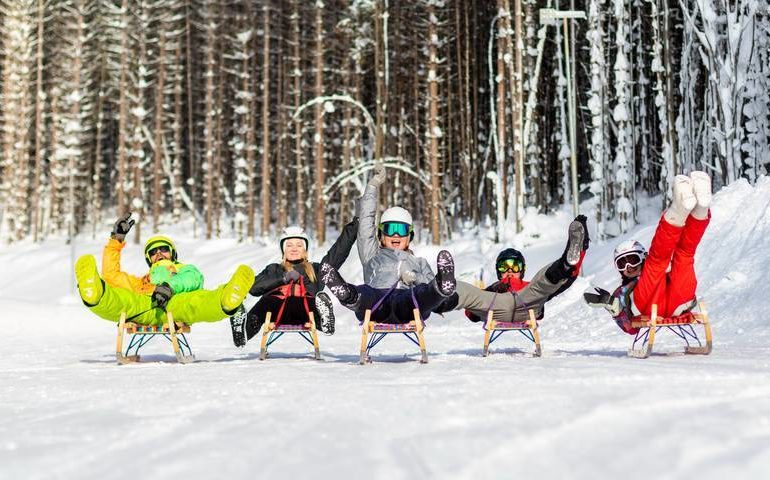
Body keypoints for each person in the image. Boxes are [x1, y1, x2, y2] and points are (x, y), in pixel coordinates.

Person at [320, 164, 456, 324]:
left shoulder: (419, 263)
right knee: (366, 292)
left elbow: (426, 285)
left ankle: (442, 286)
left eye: (401, 229)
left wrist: (415, 278)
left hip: (408, 305)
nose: (396, 234)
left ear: (409, 236)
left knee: (422, 293)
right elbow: (365, 225)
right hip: (376, 304)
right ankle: (347, 293)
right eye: (390, 229)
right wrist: (372, 186)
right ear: (381, 236)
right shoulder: (372, 254)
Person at [584, 171, 712, 334]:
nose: (629, 267)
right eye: (622, 264)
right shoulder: (622, 291)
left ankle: (696, 209)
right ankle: (688, 211)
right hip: (648, 304)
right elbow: (630, 329)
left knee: (679, 257)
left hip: (677, 301)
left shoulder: (651, 271)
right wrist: (612, 305)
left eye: (632, 259)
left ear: (642, 258)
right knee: (667, 261)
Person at [74, 213, 254, 326]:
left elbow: (194, 279)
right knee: (120, 300)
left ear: (173, 254)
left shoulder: (182, 269)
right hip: (144, 305)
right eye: (153, 252)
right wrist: (116, 240)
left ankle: (227, 298)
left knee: (197, 302)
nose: (159, 253)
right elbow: (112, 275)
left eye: (164, 249)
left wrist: (169, 286)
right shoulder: (143, 280)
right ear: (149, 259)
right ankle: (94, 292)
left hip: (174, 304)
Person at [229, 219, 358, 347]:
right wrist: (283, 278)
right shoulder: (274, 269)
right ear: (283, 250)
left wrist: (353, 227)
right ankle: (243, 333)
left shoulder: (315, 269)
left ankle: (325, 322)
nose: (294, 249)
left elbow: (337, 254)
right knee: (266, 301)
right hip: (277, 311)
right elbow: (254, 288)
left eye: (299, 245)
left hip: (306, 312)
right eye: (289, 245)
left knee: (314, 300)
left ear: (305, 249)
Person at [436, 215, 590, 322]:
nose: (510, 270)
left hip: (527, 303)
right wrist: (493, 290)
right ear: (498, 271)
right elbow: (471, 314)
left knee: (543, 282)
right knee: (465, 290)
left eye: (515, 266)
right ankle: (437, 299)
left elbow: (565, 283)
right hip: (497, 307)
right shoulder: (493, 289)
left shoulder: (530, 286)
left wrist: (581, 251)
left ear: (521, 270)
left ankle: (566, 262)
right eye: (504, 266)